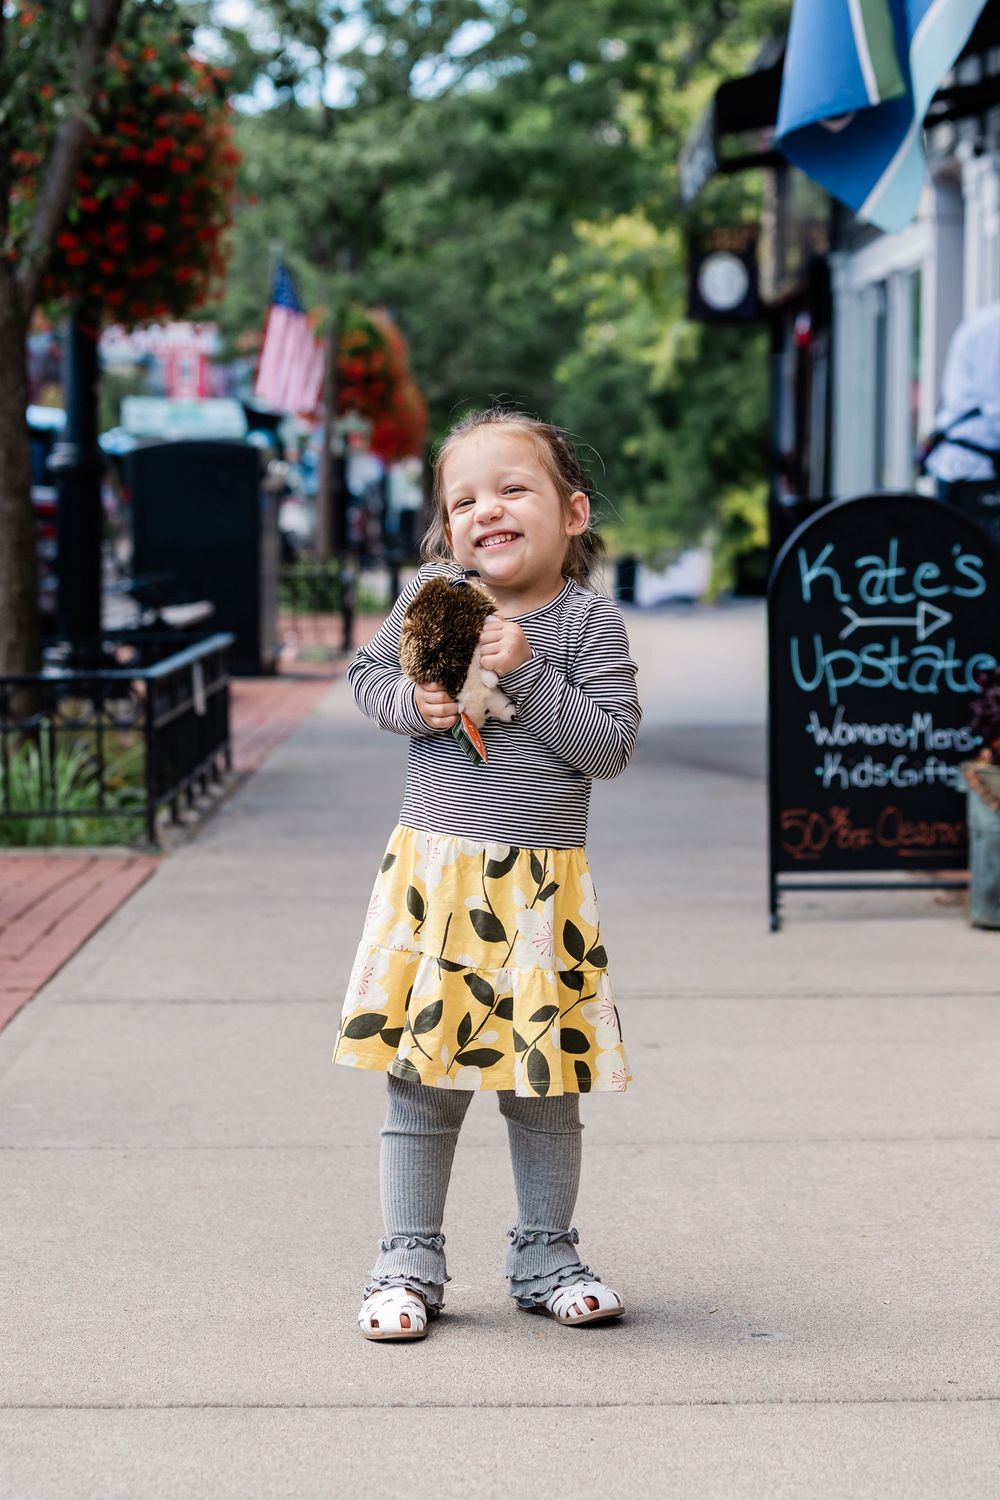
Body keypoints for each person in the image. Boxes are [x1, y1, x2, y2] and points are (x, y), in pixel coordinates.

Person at [334, 406, 642, 1341]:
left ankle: (546, 1253)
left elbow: (609, 747)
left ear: (572, 513)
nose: (486, 510)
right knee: (421, 1085)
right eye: (464, 499)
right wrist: (413, 703)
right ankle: (407, 1263)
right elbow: (364, 674)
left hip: (540, 894)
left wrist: (534, 668)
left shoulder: (586, 624)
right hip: (439, 885)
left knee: (545, 1087)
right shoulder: (436, 595)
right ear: (447, 525)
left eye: (513, 489)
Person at [921, 301, 1000, 490]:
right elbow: (995, 404)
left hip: (975, 469)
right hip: (975, 473)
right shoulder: (995, 326)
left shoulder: (987, 321)